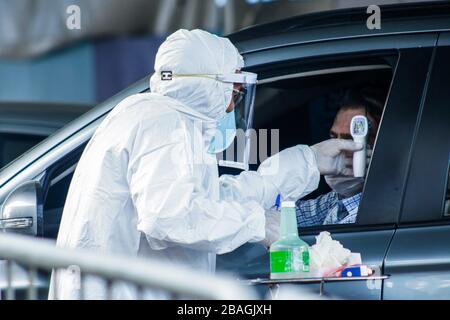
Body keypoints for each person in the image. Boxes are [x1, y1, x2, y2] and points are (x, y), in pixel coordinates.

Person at [49, 29, 361, 299]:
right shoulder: (164, 125)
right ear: (207, 86)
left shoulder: (149, 116)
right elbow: (169, 217)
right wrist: (255, 224)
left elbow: (211, 201)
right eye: (233, 93)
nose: (230, 106)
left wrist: (308, 160)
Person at [296, 88, 384, 226]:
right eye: (333, 137)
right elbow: (292, 215)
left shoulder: (378, 212)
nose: (336, 149)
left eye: (349, 139)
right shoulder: (341, 196)